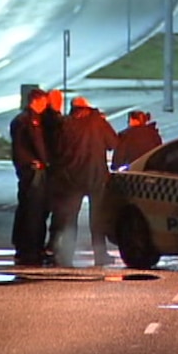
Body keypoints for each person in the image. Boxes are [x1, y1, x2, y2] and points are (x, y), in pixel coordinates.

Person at [48, 96, 118, 267]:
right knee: (97, 218)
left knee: (70, 218)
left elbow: (57, 149)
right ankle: (100, 254)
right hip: (96, 176)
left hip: (72, 178)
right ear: (87, 107)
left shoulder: (66, 123)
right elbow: (113, 143)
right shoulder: (98, 122)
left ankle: (67, 255)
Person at [9, 88, 51, 266]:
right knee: (34, 211)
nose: (45, 106)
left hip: (26, 169)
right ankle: (31, 249)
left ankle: (24, 246)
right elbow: (37, 143)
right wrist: (46, 161)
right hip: (33, 171)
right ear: (36, 101)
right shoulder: (30, 121)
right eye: (44, 102)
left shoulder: (20, 119)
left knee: (26, 209)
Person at [40, 88, 64, 261]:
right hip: (55, 171)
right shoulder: (55, 120)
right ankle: (51, 245)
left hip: (49, 170)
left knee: (44, 211)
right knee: (57, 211)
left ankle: (43, 245)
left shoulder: (42, 118)